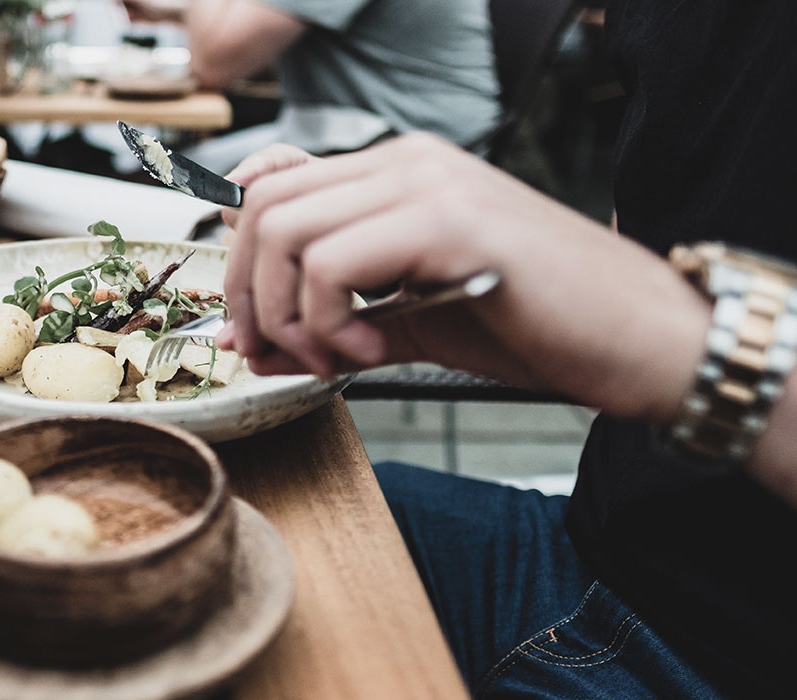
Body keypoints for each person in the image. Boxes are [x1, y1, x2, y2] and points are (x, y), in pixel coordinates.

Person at [215, 1, 796, 697]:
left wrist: (686, 340)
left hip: (727, 662)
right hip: (592, 556)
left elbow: (664, 325)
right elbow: (651, 262)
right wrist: (451, 274)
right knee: (214, 535)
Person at [121, 0, 499, 166]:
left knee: (162, 188)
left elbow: (215, 62)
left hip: (409, 148)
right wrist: (179, 10)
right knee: (165, 172)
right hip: (366, 131)